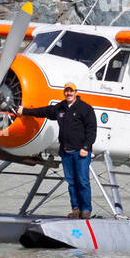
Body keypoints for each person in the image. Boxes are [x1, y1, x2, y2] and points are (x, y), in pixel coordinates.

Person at [14, 82, 98, 219]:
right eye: (66, 91)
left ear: (76, 92)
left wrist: (86, 147)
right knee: (71, 182)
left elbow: (91, 130)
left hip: (81, 152)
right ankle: (76, 209)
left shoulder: (85, 109)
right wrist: (25, 111)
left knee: (82, 181)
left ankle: (86, 210)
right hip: (66, 151)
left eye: (71, 91)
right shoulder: (61, 108)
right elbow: (44, 111)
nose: (68, 93)